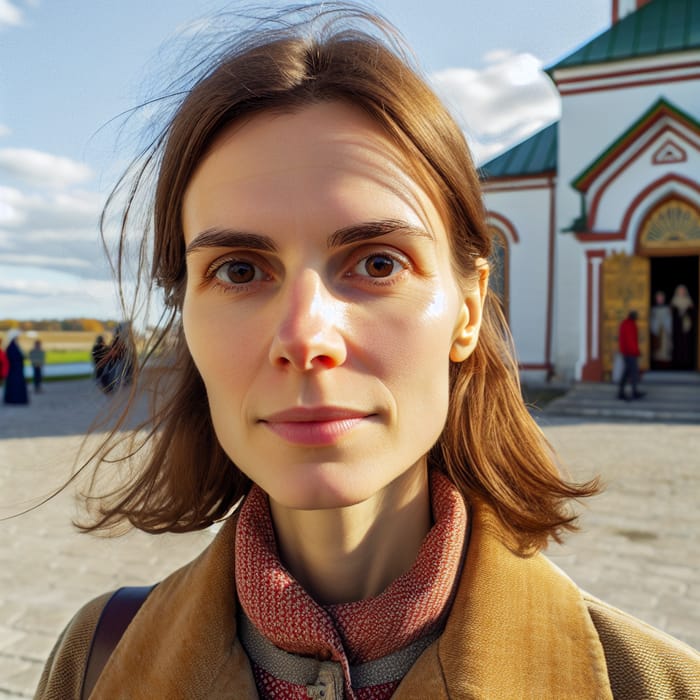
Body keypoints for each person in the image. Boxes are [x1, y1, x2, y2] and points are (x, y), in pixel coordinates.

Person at [35, 5, 699, 698]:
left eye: (378, 263)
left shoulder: (653, 686)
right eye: (238, 270)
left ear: (468, 310)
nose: (305, 337)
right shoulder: (97, 663)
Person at [617, 310, 644, 401]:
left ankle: (622, 392)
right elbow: (631, 340)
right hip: (630, 353)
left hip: (626, 352)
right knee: (633, 373)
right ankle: (633, 392)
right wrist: (636, 351)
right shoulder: (630, 325)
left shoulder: (625, 324)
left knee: (627, 373)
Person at [670, 283, 695, 369]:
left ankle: (686, 364)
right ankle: (677, 364)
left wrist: (687, 311)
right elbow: (671, 314)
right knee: (677, 345)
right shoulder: (674, 301)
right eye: (680, 290)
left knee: (686, 346)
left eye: (683, 290)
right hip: (677, 328)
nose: (681, 291)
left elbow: (692, 314)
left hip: (686, 328)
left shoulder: (689, 301)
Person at [3, 329, 29, 405]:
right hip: (14, 370)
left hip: (16, 370)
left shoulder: (14, 347)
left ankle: (16, 399)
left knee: (16, 385)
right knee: (15, 385)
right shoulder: (11, 347)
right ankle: (15, 399)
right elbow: (13, 358)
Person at [649, 290, 672, 367]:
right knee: (656, 347)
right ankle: (656, 361)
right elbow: (651, 319)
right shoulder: (653, 309)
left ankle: (665, 361)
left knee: (664, 346)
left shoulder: (667, 308)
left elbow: (669, 319)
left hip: (664, 329)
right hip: (656, 329)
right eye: (658, 298)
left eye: (661, 298)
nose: (660, 299)